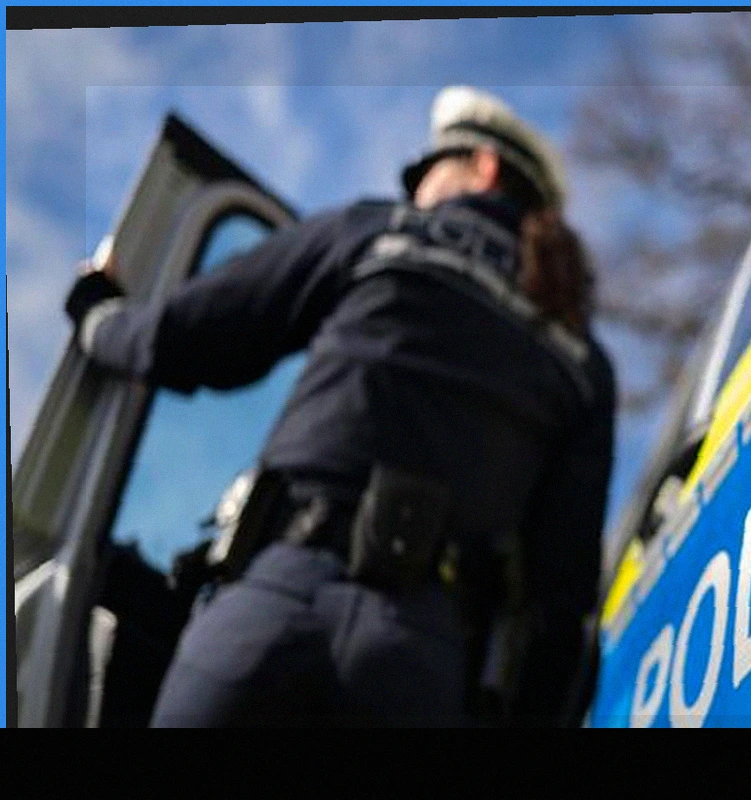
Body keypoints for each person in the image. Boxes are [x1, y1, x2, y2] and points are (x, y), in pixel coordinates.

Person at [64, 86, 615, 727]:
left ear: (483, 167)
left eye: (426, 171)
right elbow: (562, 597)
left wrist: (98, 314)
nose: (416, 190)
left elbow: (188, 336)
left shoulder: (377, 232)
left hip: (278, 602)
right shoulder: (582, 358)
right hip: (424, 665)